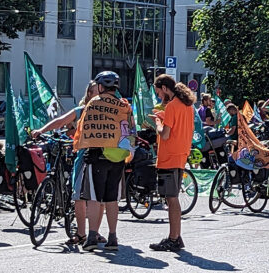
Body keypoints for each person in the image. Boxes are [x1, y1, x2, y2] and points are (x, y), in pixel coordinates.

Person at [32, 81, 101, 250]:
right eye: (93, 93)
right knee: (78, 195)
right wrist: (41, 130)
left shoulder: (107, 110)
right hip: (82, 155)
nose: (97, 96)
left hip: (101, 157)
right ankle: (82, 233)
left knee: (97, 197)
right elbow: (60, 121)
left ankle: (94, 232)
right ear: (89, 94)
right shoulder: (81, 111)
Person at [74, 71, 135, 252]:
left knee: (94, 198)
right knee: (112, 200)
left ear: (100, 86)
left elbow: (84, 127)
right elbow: (131, 129)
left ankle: (92, 236)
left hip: (96, 156)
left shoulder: (93, 103)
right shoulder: (124, 105)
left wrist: (77, 145)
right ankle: (113, 237)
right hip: (117, 157)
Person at [149, 75, 196, 252]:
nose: (159, 96)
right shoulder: (187, 106)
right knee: (172, 197)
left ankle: (173, 238)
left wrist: (158, 121)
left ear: (165, 88)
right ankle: (176, 236)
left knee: (171, 198)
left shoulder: (172, 106)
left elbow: (165, 134)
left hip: (168, 157)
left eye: (159, 92)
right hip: (181, 155)